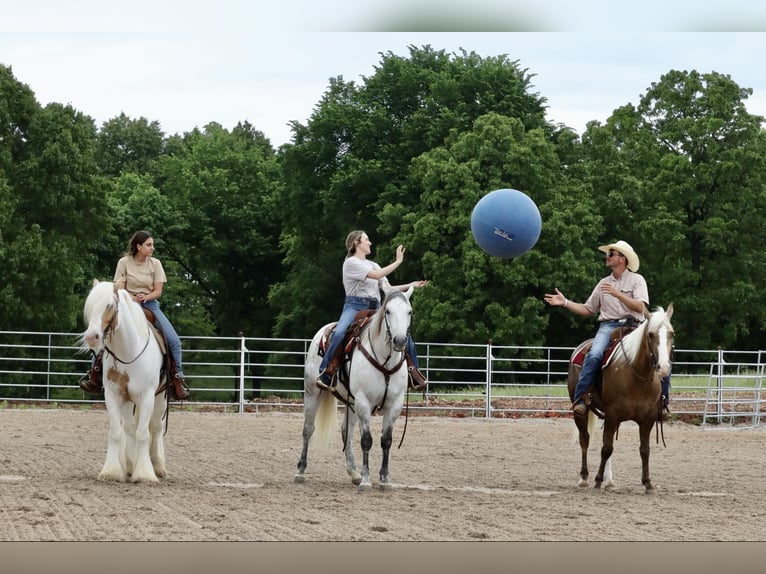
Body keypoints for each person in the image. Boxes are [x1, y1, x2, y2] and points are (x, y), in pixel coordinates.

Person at [543, 240, 670, 421]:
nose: (607, 257)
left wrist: (618, 294)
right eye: (609, 254)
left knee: (661, 353)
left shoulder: (637, 280)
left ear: (622, 259)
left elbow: (641, 307)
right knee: (594, 354)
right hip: (609, 326)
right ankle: (581, 398)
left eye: (611, 254)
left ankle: (662, 402)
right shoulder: (603, 283)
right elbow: (588, 309)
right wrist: (565, 302)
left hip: (635, 326)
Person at [79, 230, 190, 400]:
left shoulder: (156, 264)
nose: (152, 248)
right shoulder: (124, 263)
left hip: (150, 305)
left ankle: (177, 378)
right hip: (126, 303)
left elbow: (158, 291)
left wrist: (145, 297)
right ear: (138, 246)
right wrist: (130, 297)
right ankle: (93, 375)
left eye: (152, 244)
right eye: (149, 245)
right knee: (105, 334)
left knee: (173, 340)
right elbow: (118, 286)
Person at [316, 230, 430, 392]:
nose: (370, 243)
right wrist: (398, 262)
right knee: (340, 332)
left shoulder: (373, 265)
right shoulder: (351, 263)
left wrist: (411, 284)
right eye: (366, 240)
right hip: (355, 306)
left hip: (376, 306)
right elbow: (376, 276)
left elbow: (388, 288)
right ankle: (327, 371)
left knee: (403, 333)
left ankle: (413, 372)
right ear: (357, 243)